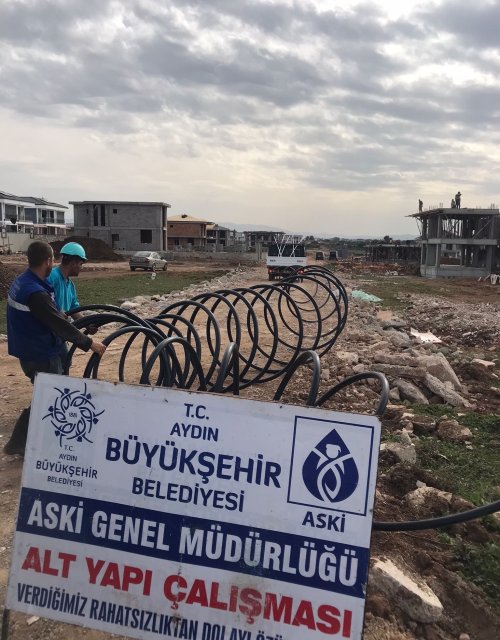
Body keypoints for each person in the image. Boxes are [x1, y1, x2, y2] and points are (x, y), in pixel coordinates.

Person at [3, 240, 106, 456]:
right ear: (48, 261)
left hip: (38, 345)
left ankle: (32, 438)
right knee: (50, 395)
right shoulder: (35, 291)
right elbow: (57, 321)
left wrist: (82, 323)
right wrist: (89, 343)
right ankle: (23, 442)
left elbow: (56, 313)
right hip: (40, 350)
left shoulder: (25, 282)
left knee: (53, 391)